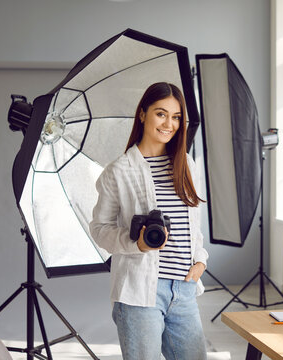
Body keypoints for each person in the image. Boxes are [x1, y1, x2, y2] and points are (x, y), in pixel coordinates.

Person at [89, 82, 208, 360]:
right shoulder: (118, 171)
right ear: (142, 114)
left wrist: (201, 260)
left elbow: (194, 228)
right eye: (161, 113)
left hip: (185, 288)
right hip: (139, 292)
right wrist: (138, 244)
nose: (169, 124)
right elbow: (99, 230)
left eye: (176, 117)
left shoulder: (186, 164)